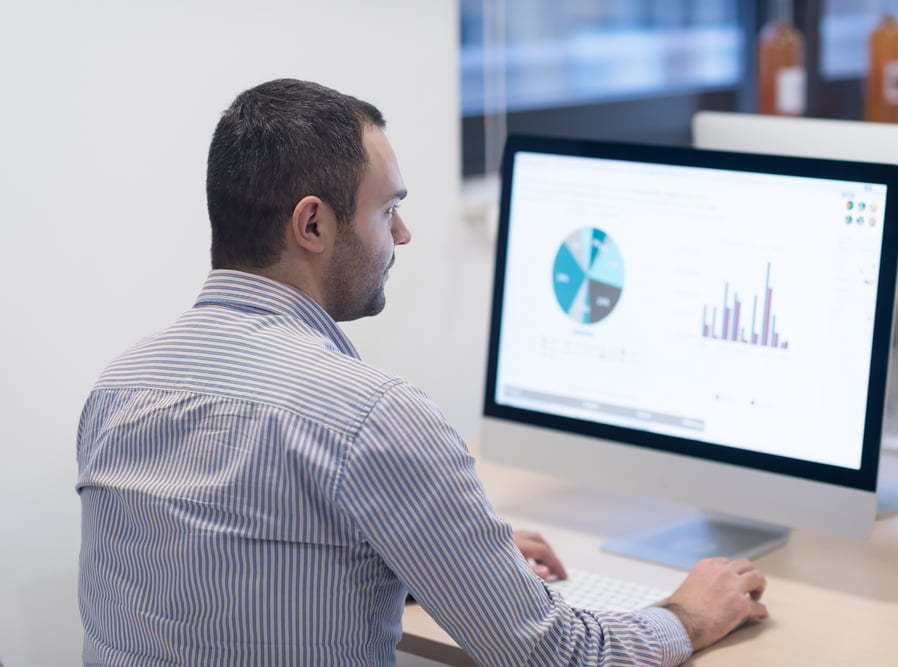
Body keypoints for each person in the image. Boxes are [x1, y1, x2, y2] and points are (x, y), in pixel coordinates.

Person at [76, 78, 767, 666]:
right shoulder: (371, 420)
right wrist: (688, 613)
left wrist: (429, 555)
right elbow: (558, 654)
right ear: (312, 226)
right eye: (389, 209)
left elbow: (222, 575)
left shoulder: (118, 389)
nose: (402, 235)